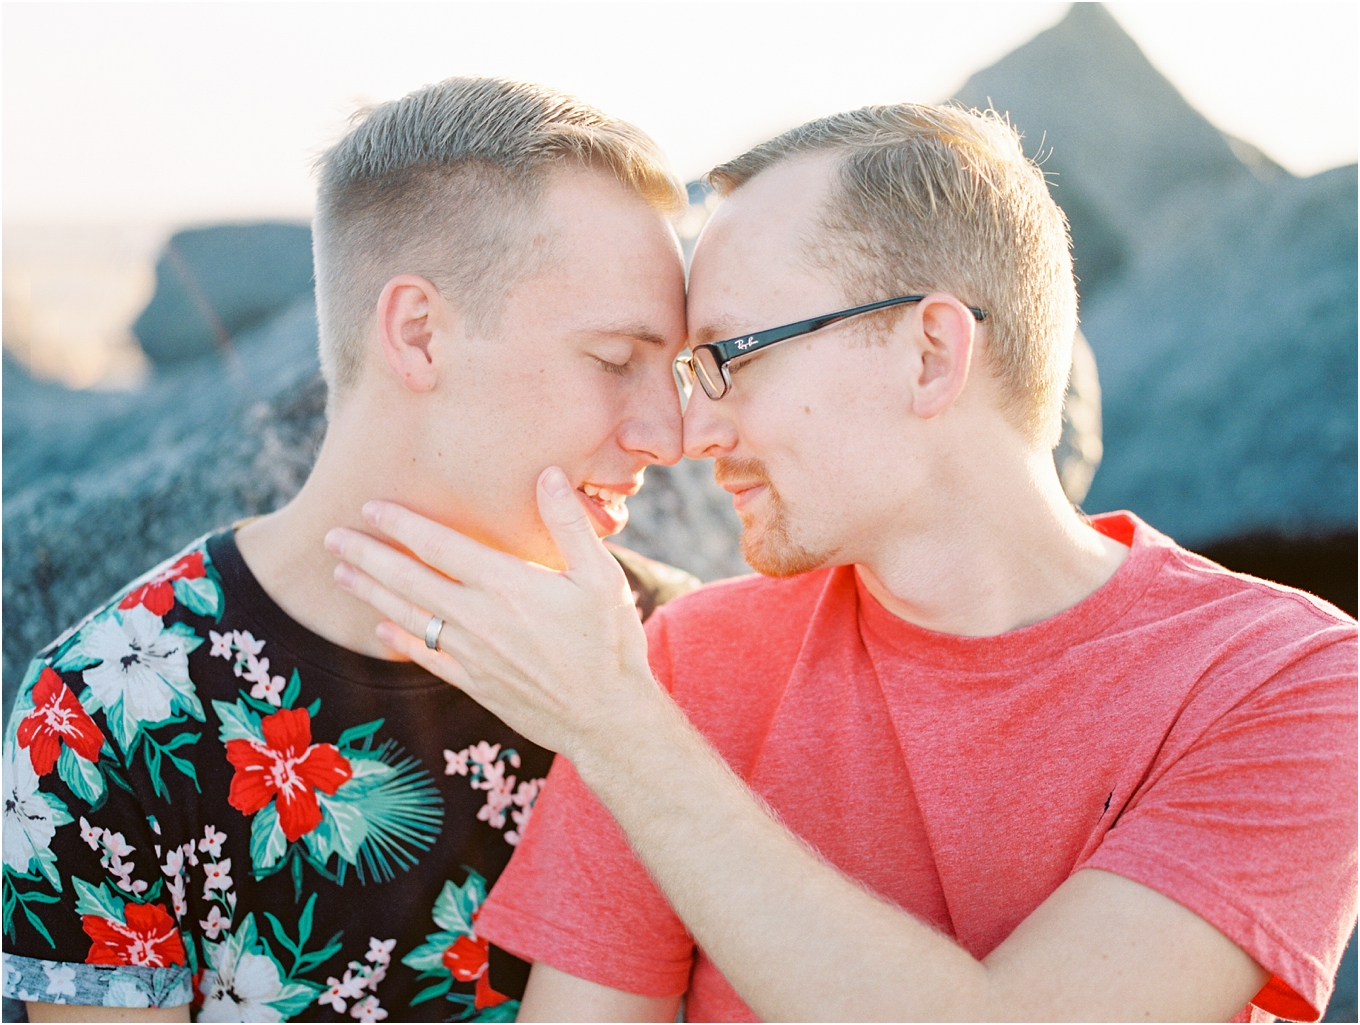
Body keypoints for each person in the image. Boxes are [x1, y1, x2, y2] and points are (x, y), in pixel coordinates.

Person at [326, 103, 1359, 1022]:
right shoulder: (687, 660)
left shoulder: (1284, 681)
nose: (691, 429)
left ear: (930, 354)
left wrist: (617, 726)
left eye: (729, 357)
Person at [2, 77, 699, 1022]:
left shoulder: (685, 664)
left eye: (679, 371)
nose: (670, 434)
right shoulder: (100, 717)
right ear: (418, 334)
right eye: (617, 360)